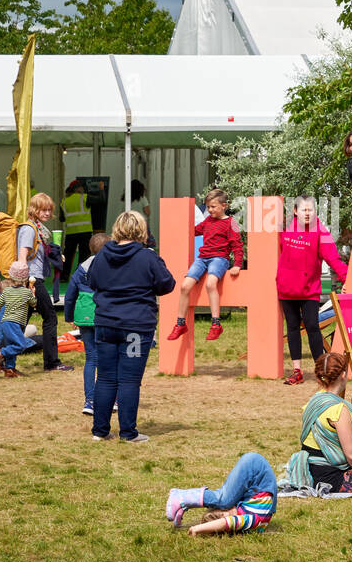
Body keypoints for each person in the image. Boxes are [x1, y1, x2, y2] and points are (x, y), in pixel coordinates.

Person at [86, 210, 176, 442]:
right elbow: (167, 284)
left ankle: (100, 431)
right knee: (129, 379)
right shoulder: (147, 257)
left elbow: (92, 281)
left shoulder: (103, 254)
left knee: (105, 377)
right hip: (135, 327)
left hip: (106, 323)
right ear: (142, 231)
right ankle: (128, 432)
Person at [284, 352, 352, 495]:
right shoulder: (338, 410)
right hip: (334, 480)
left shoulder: (314, 401)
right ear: (343, 375)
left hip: (312, 473)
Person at [277, 195, 348, 385]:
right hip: (286, 289)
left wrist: (346, 278)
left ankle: (321, 371)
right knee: (292, 328)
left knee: (312, 327)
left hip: (309, 290)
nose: (307, 213)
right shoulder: (284, 230)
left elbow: (333, 258)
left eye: (311, 210)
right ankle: (297, 371)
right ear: (295, 211)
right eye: (304, 210)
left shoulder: (320, 231)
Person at [167, 188, 242, 342]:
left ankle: (216, 323)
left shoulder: (231, 223)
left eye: (213, 206)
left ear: (224, 206)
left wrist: (237, 265)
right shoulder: (208, 221)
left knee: (210, 283)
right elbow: (192, 231)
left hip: (219, 259)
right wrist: (182, 215)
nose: (210, 210)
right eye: (208, 207)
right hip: (202, 258)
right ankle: (180, 323)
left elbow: (237, 246)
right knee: (185, 286)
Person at [17, 192, 70, 372]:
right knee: (50, 318)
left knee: (21, 322)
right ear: (34, 210)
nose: (47, 213)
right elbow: (22, 255)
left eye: (49, 210)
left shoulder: (38, 229)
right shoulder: (29, 229)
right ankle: (52, 362)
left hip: (31, 279)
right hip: (31, 280)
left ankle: (2, 355)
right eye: (43, 209)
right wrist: (27, 283)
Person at [165, 452, 278, 534]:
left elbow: (224, 523)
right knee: (224, 501)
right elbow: (225, 523)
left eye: (222, 514)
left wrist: (197, 528)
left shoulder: (244, 516)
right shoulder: (248, 521)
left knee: (224, 501)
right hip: (256, 472)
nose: (226, 515)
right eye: (224, 515)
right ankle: (183, 499)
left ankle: (182, 499)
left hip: (258, 478)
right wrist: (198, 528)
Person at [63, 231, 109, 416]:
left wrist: (69, 316)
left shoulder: (81, 267)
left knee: (91, 358)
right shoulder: (108, 266)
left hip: (83, 314)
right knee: (106, 358)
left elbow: (70, 295)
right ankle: (111, 399)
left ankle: (89, 401)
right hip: (102, 314)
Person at [0, 263, 38, 377]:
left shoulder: (7, 291)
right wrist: (33, 293)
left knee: (11, 344)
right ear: (25, 278)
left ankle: (10, 370)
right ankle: (0, 354)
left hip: (5, 323)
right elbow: (34, 304)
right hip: (15, 323)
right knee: (20, 345)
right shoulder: (26, 292)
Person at [60, 179, 93, 272]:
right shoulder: (85, 197)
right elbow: (102, 199)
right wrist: (102, 189)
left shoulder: (64, 201)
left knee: (68, 254)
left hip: (71, 231)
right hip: (85, 231)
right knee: (84, 255)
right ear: (78, 188)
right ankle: (81, 273)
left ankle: (64, 276)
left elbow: (61, 219)